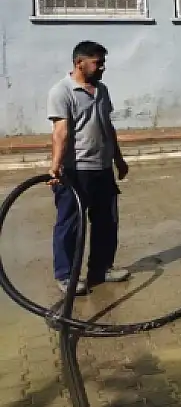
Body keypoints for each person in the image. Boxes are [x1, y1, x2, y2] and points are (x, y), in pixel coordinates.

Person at [46, 41, 131, 295]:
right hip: (76, 171)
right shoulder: (62, 92)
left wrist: (118, 159)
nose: (103, 67)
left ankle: (101, 268)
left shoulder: (102, 90)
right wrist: (56, 167)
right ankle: (66, 276)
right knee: (71, 224)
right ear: (79, 62)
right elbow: (60, 132)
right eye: (98, 62)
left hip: (102, 168)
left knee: (106, 221)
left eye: (103, 62)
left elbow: (108, 126)